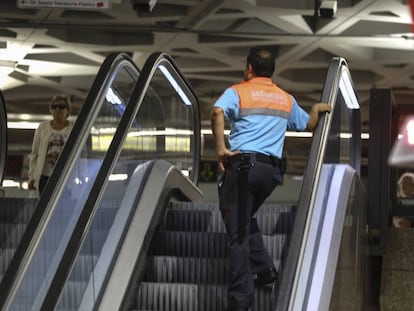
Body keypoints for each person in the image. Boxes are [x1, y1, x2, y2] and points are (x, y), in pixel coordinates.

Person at [211, 47, 331, 311]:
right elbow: (307, 125)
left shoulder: (239, 91)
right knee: (245, 218)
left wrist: (220, 149)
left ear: (249, 68)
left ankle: (241, 302)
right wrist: (315, 109)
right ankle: (264, 268)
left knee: (237, 235)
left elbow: (217, 112)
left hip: (242, 169)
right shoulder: (284, 98)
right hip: (270, 173)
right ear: (271, 71)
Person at [28, 94, 73, 195]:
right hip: (44, 176)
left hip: (65, 175)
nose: (58, 109)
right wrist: (32, 176)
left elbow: (81, 154)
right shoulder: (42, 128)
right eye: (55, 107)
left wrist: (82, 175)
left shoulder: (73, 129)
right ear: (51, 110)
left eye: (61, 107)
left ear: (67, 111)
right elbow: (34, 153)